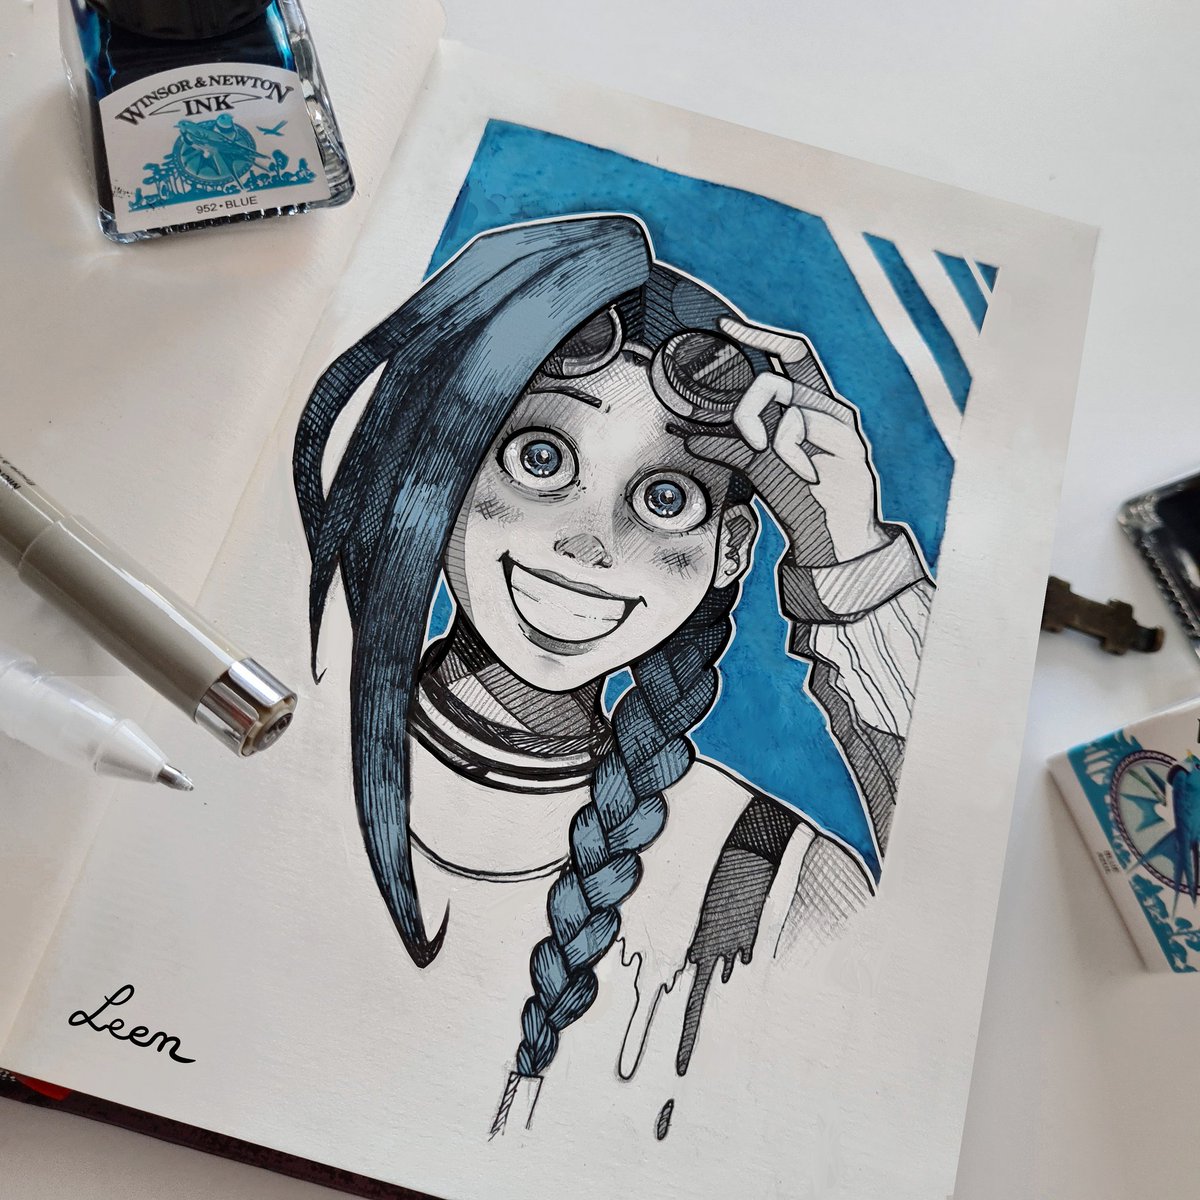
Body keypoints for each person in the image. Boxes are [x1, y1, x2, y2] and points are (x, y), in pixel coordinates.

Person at [293, 213, 932, 1136]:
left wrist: (854, 560)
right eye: (540, 460)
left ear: (729, 551)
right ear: (449, 472)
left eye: (665, 498)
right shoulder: (278, 723)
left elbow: (945, 976)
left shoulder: (769, 876)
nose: (590, 544)